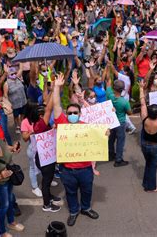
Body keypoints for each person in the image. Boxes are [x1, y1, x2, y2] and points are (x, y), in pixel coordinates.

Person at [52, 73, 100, 227]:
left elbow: (100, 130)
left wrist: (105, 133)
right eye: (70, 113)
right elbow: (56, 105)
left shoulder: (86, 124)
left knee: (87, 191)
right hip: (67, 170)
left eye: (75, 113)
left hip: (85, 168)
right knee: (70, 192)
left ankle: (86, 208)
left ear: (80, 115)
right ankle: (74, 211)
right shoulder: (62, 123)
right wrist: (56, 87)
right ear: (66, 115)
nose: (72, 115)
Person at [105, 71, 132, 167]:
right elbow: (129, 112)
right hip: (120, 123)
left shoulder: (109, 95)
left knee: (111, 139)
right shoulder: (124, 102)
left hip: (111, 122)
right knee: (120, 141)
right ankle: (118, 160)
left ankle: (111, 154)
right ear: (123, 89)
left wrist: (107, 70)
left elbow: (107, 82)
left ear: (114, 88)